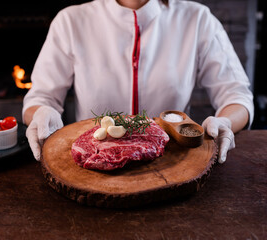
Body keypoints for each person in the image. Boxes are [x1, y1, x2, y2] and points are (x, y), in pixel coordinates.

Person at [22, 0, 254, 163]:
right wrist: (42, 113)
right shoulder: (71, 21)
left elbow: (236, 95)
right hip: (93, 162)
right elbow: (40, 98)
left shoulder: (197, 19)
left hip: (172, 164)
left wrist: (225, 122)